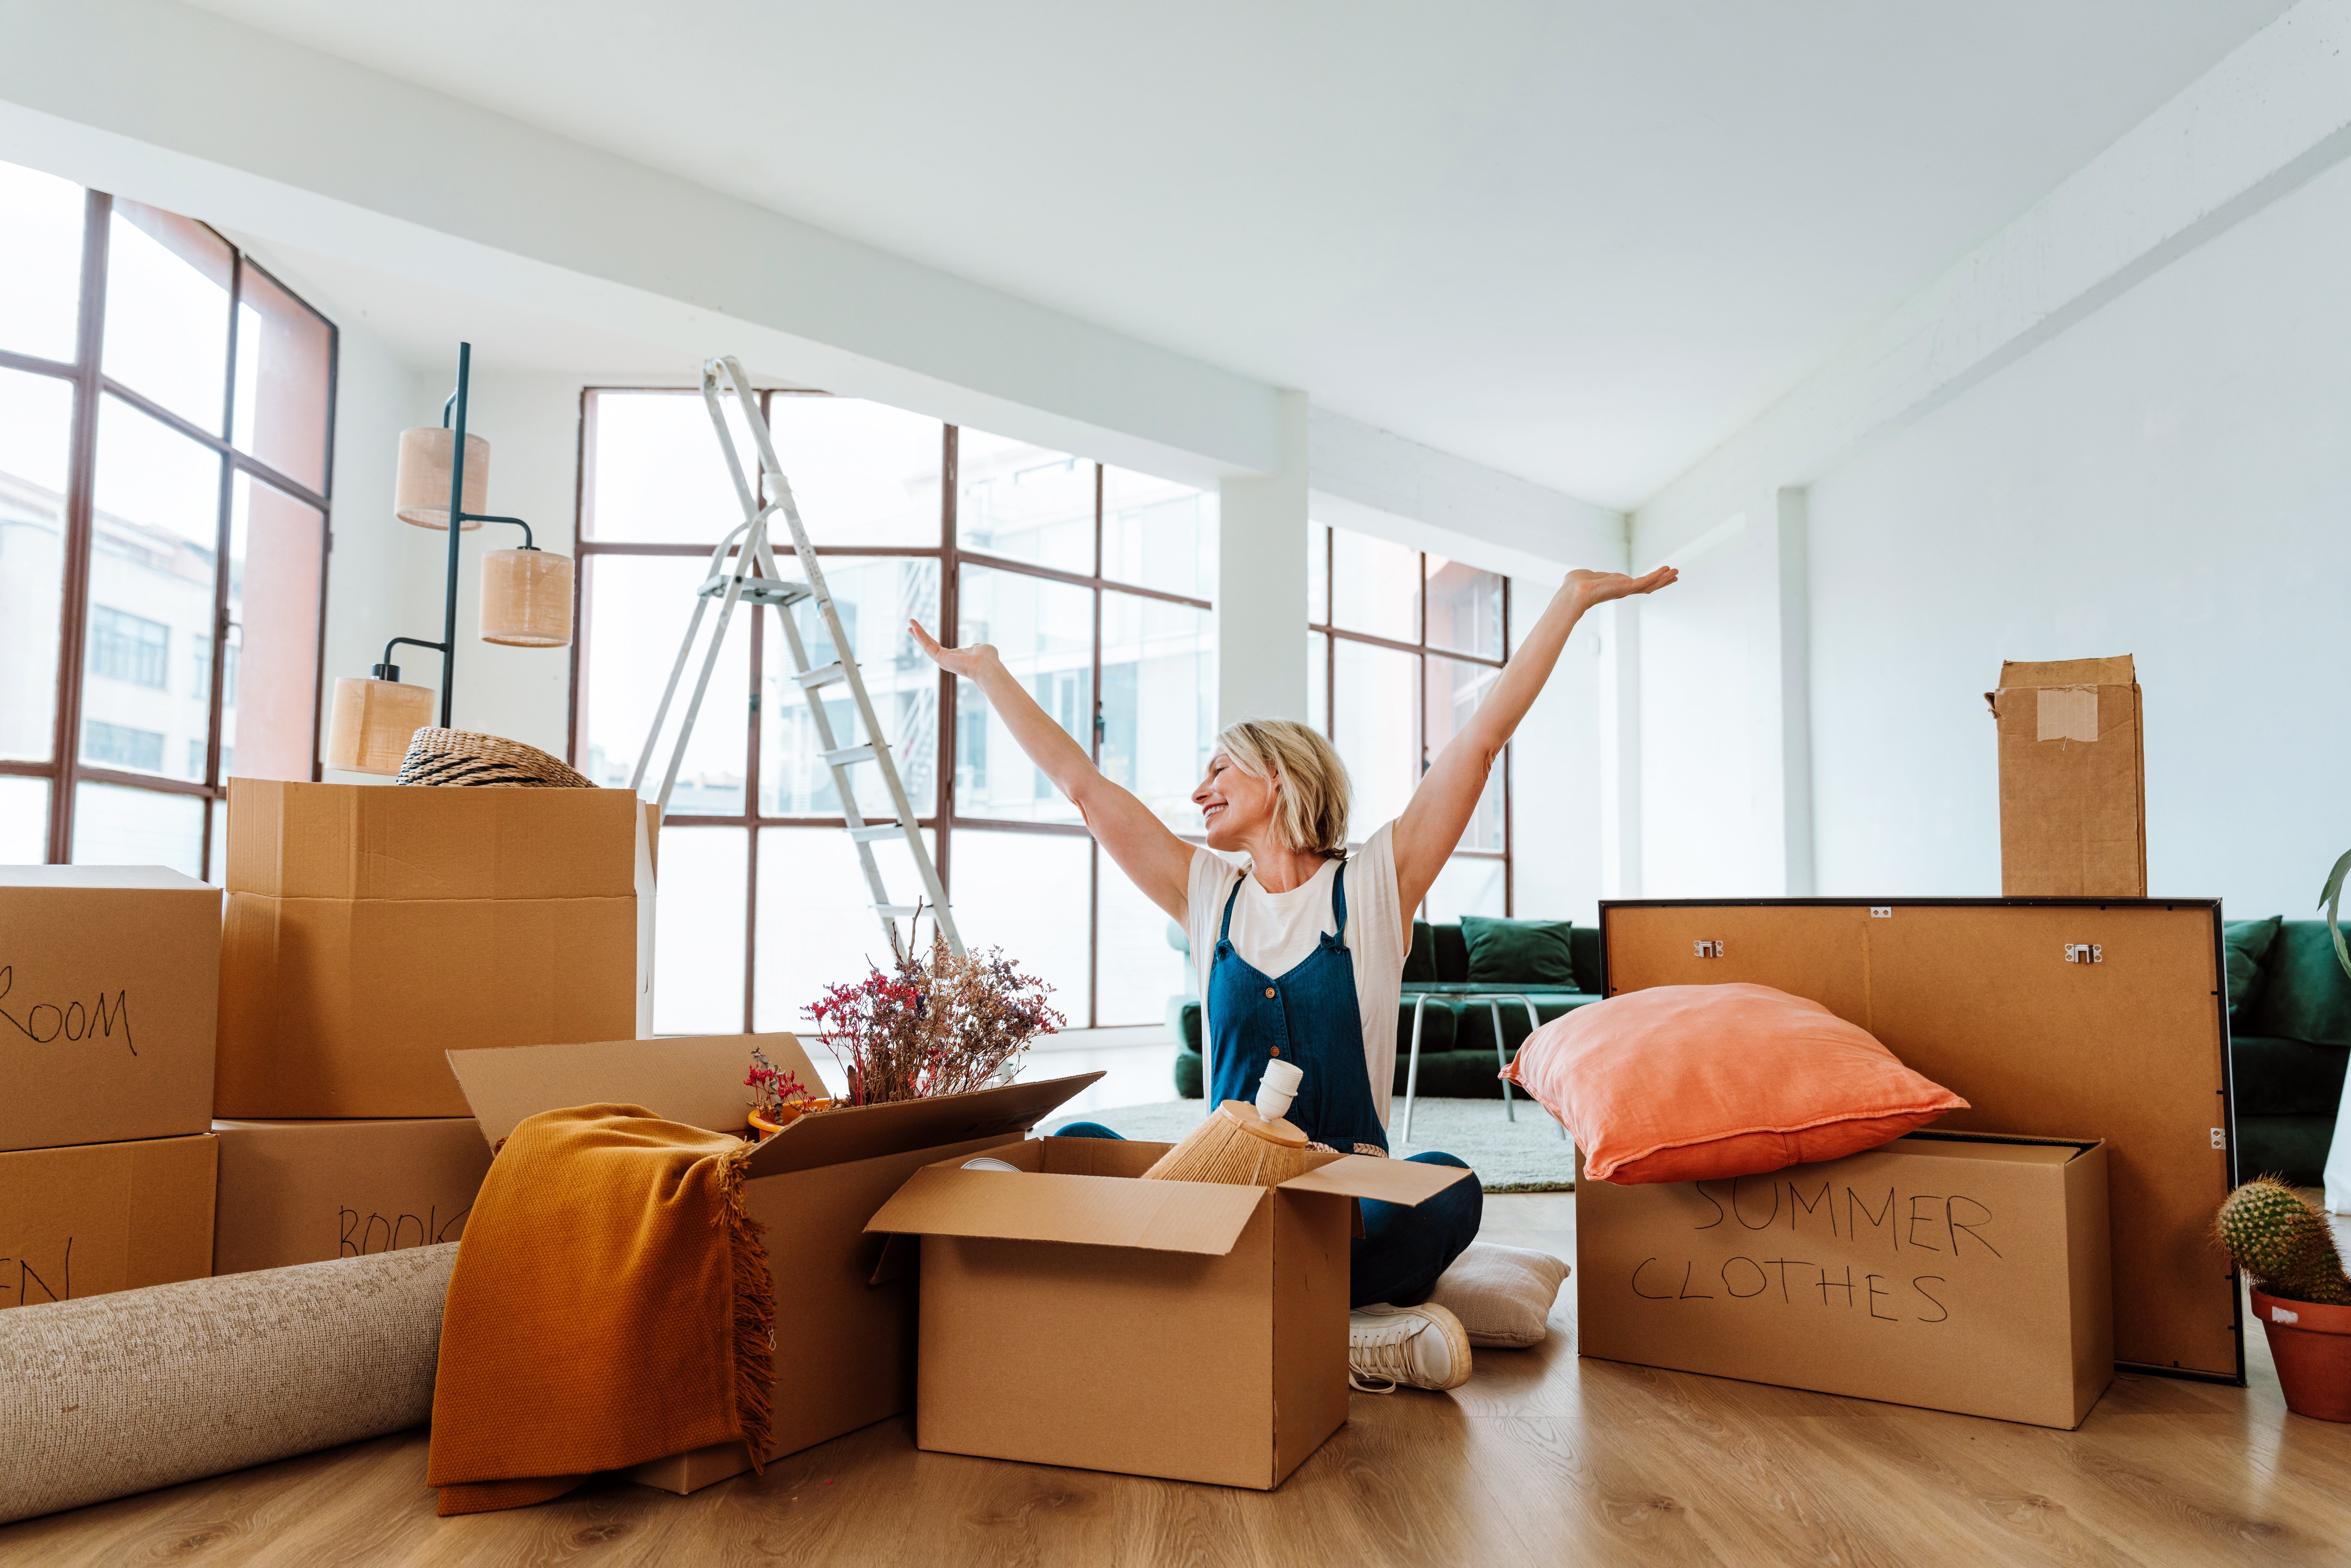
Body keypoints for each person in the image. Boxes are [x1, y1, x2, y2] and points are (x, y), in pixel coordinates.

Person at [910, 560, 1677, 1391]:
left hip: (1340, 1211)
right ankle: (1334, 1329)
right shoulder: (1207, 894)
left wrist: (1567, 602)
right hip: (1222, 1204)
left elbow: (1480, 741)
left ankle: (1217, 1310)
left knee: (1450, 1185)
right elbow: (1084, 789)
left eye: (1220, 771)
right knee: (1080, 1150)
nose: (1199, 791)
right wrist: (987, 672)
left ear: (1276, 777)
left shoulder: (1375, 887)